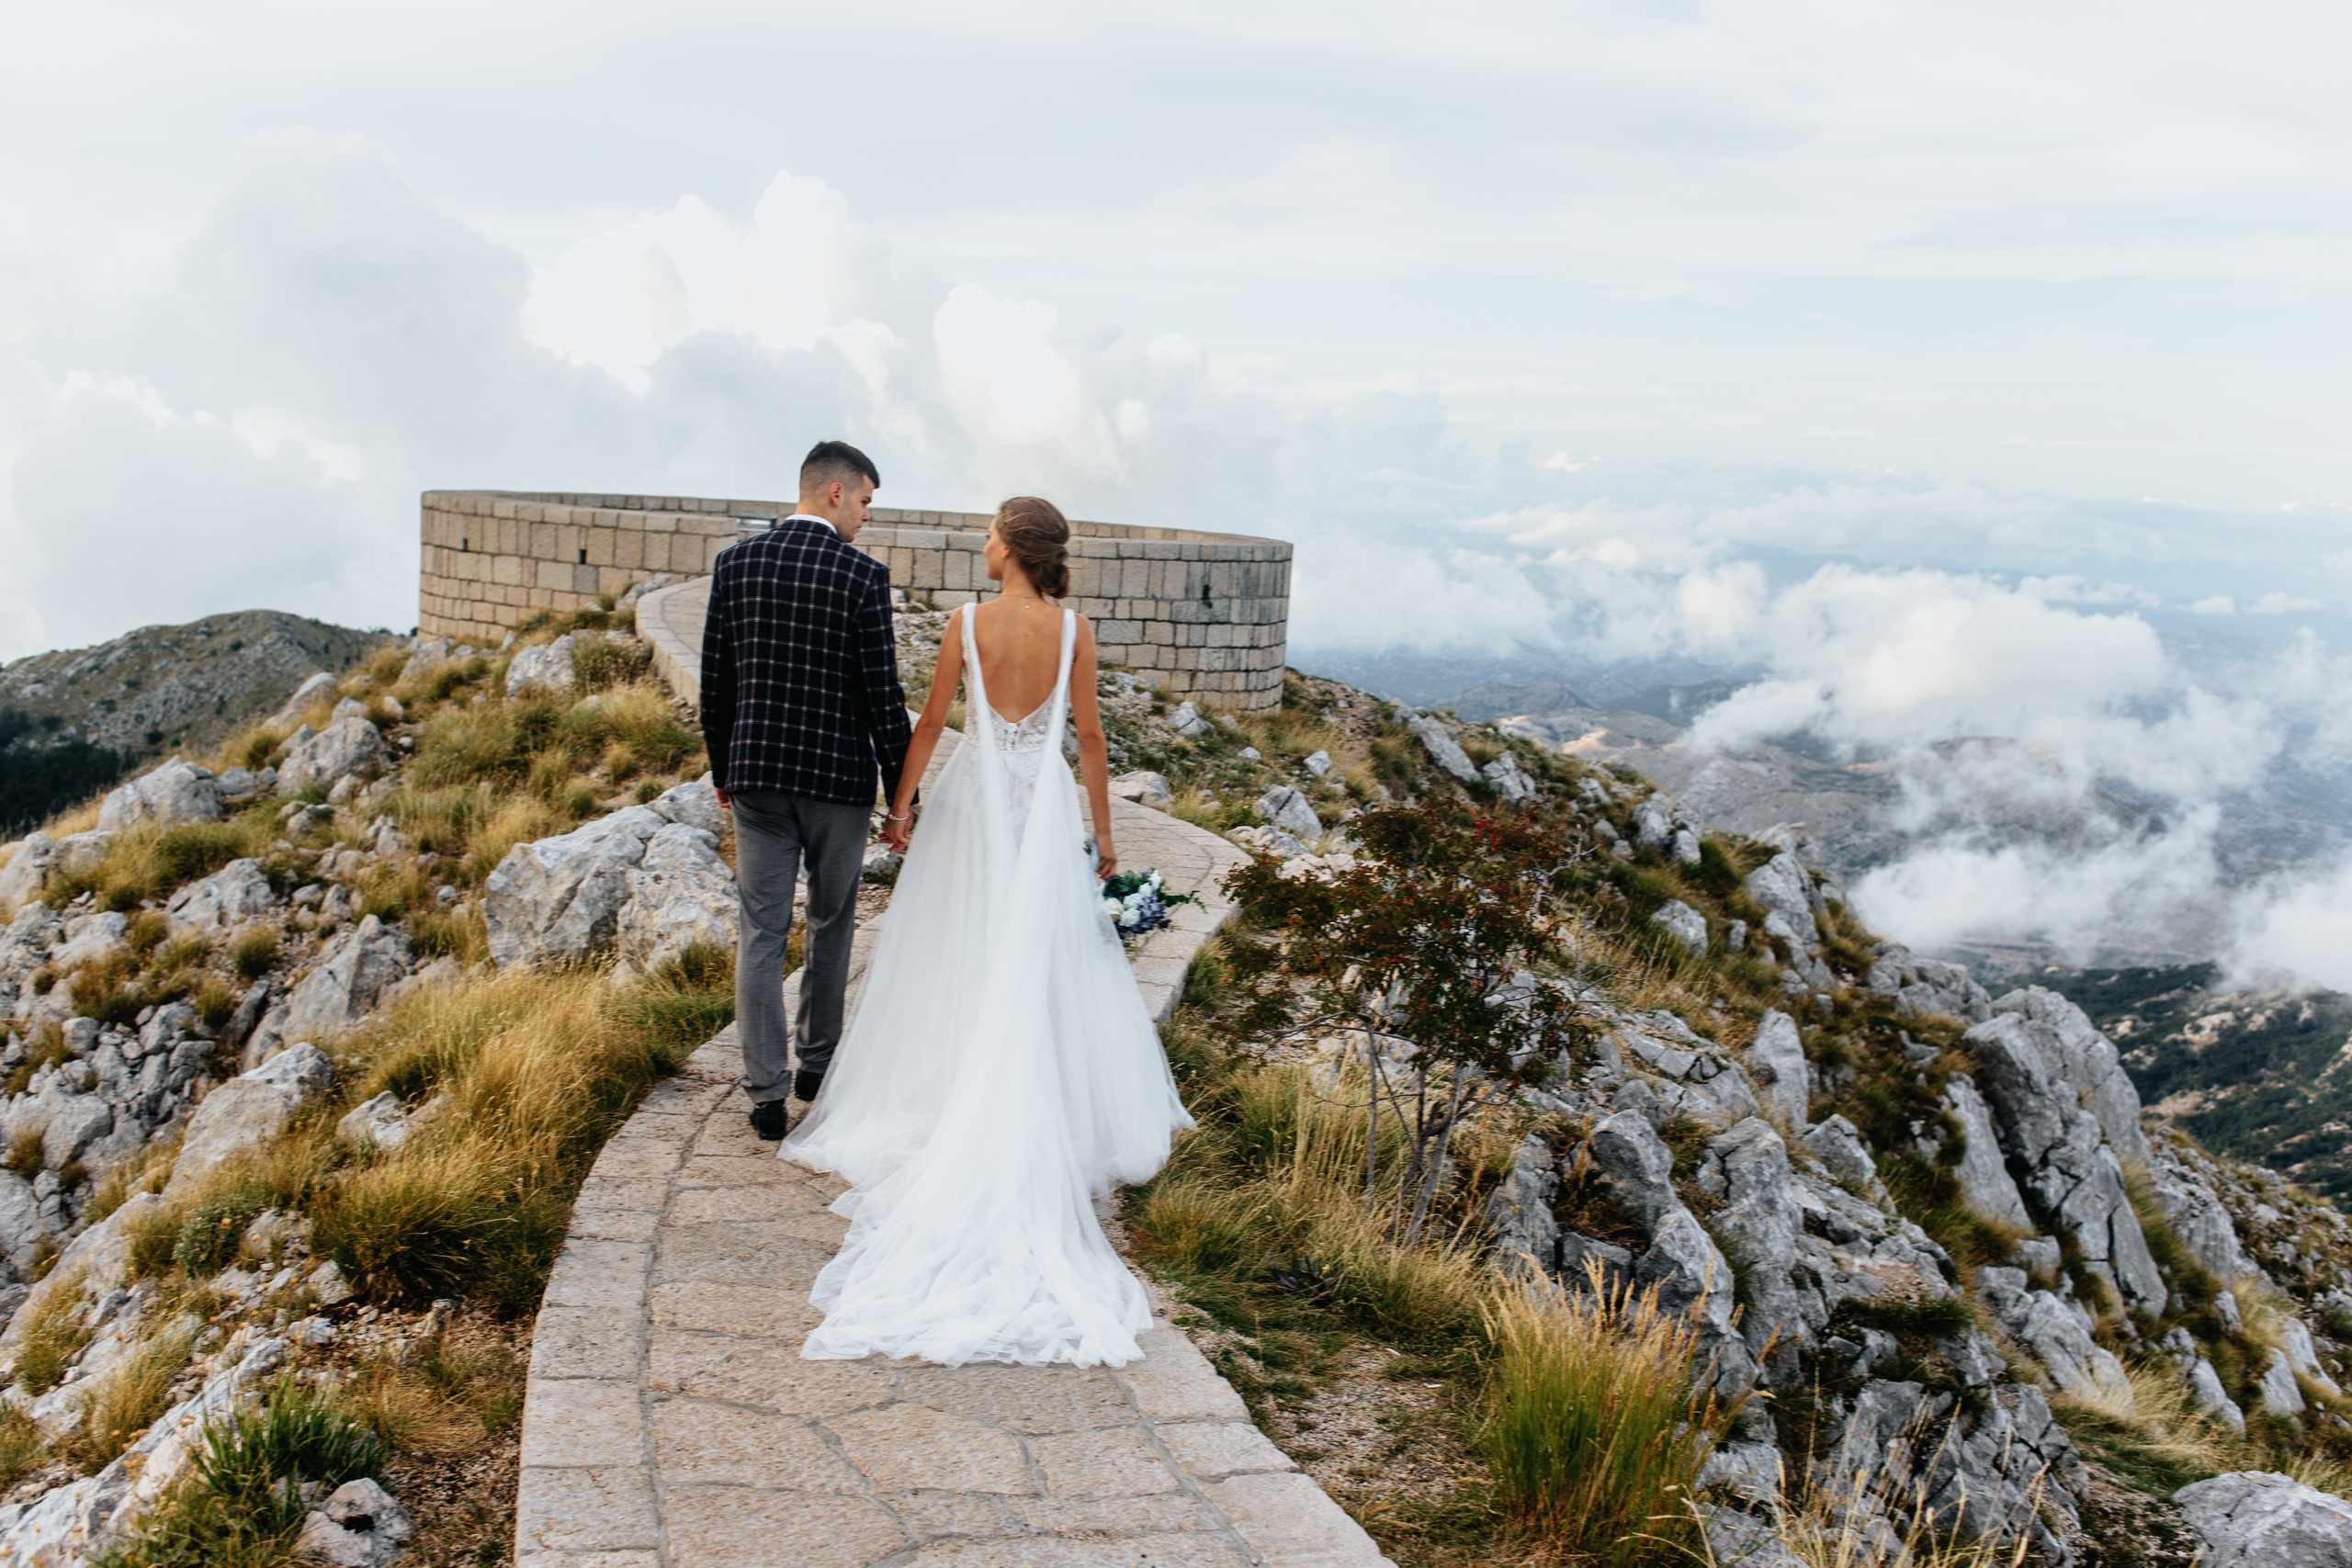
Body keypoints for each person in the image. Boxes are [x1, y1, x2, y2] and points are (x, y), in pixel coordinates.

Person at [780, 496, 1193, 1368]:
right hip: (1040, 814)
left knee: (955, 953)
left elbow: (930, 723)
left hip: (973, 808)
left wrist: (901, 809)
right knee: (1035, 956)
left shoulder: (967, 622)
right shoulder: (1074, 628)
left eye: (991, 530)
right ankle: (1036, 1098)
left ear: (1011, 548)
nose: (982, 541)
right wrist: (1107, 837)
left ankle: (956, 1090)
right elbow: (1087, 735)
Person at [700, 439, 911, 1142]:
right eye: (865, 501)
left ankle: (765, 1092)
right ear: (834, 494)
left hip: (756, 774)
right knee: (831, 921)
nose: (867, 517)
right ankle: (817, 1066)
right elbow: (883, 696)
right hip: (836, 782)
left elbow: (715, 683)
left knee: (760, 932)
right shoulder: (861, 577)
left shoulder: (735, 564)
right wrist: (901, 794)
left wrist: (723, 770)